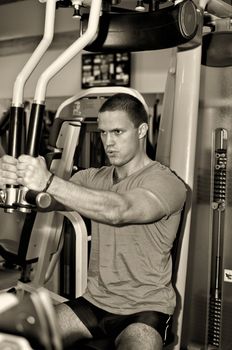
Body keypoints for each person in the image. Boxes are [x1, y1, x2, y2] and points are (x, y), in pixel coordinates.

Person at [0, 93, 186, 350]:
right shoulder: (94, 178)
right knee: (15, 339)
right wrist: (17, 180)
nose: (108, 142)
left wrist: (49, 182)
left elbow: (120, 210)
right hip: (93, 303)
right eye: (103, 133)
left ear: (141, 130)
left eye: (118, 132)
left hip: (144, 310)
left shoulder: (166, 182)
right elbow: (48, 200)